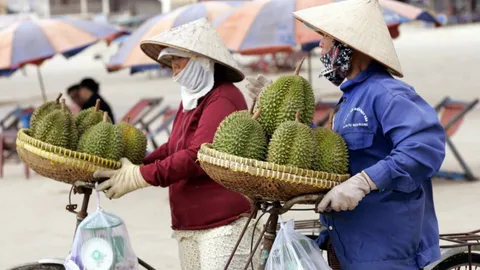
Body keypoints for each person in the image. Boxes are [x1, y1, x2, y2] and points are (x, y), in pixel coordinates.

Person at [246, 0, 447, 269]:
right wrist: (273, 105)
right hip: (346, 241)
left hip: (388, 247)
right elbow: (327, 151)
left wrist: (365, 181)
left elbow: (424, 148)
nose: (320, 47)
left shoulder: (387, 94)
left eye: (325, 38)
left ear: (347, 46)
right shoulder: (348, 100)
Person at [92, 18, 260, 269]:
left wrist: (141, 176)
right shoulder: (191, 99)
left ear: (202, 61)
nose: (175, 72)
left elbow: (198, 156)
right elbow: (174, 147)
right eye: (172, 65)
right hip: (190, 222)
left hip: (224, 224)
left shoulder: (223, 97)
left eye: (180, 64)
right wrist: (136, 164)